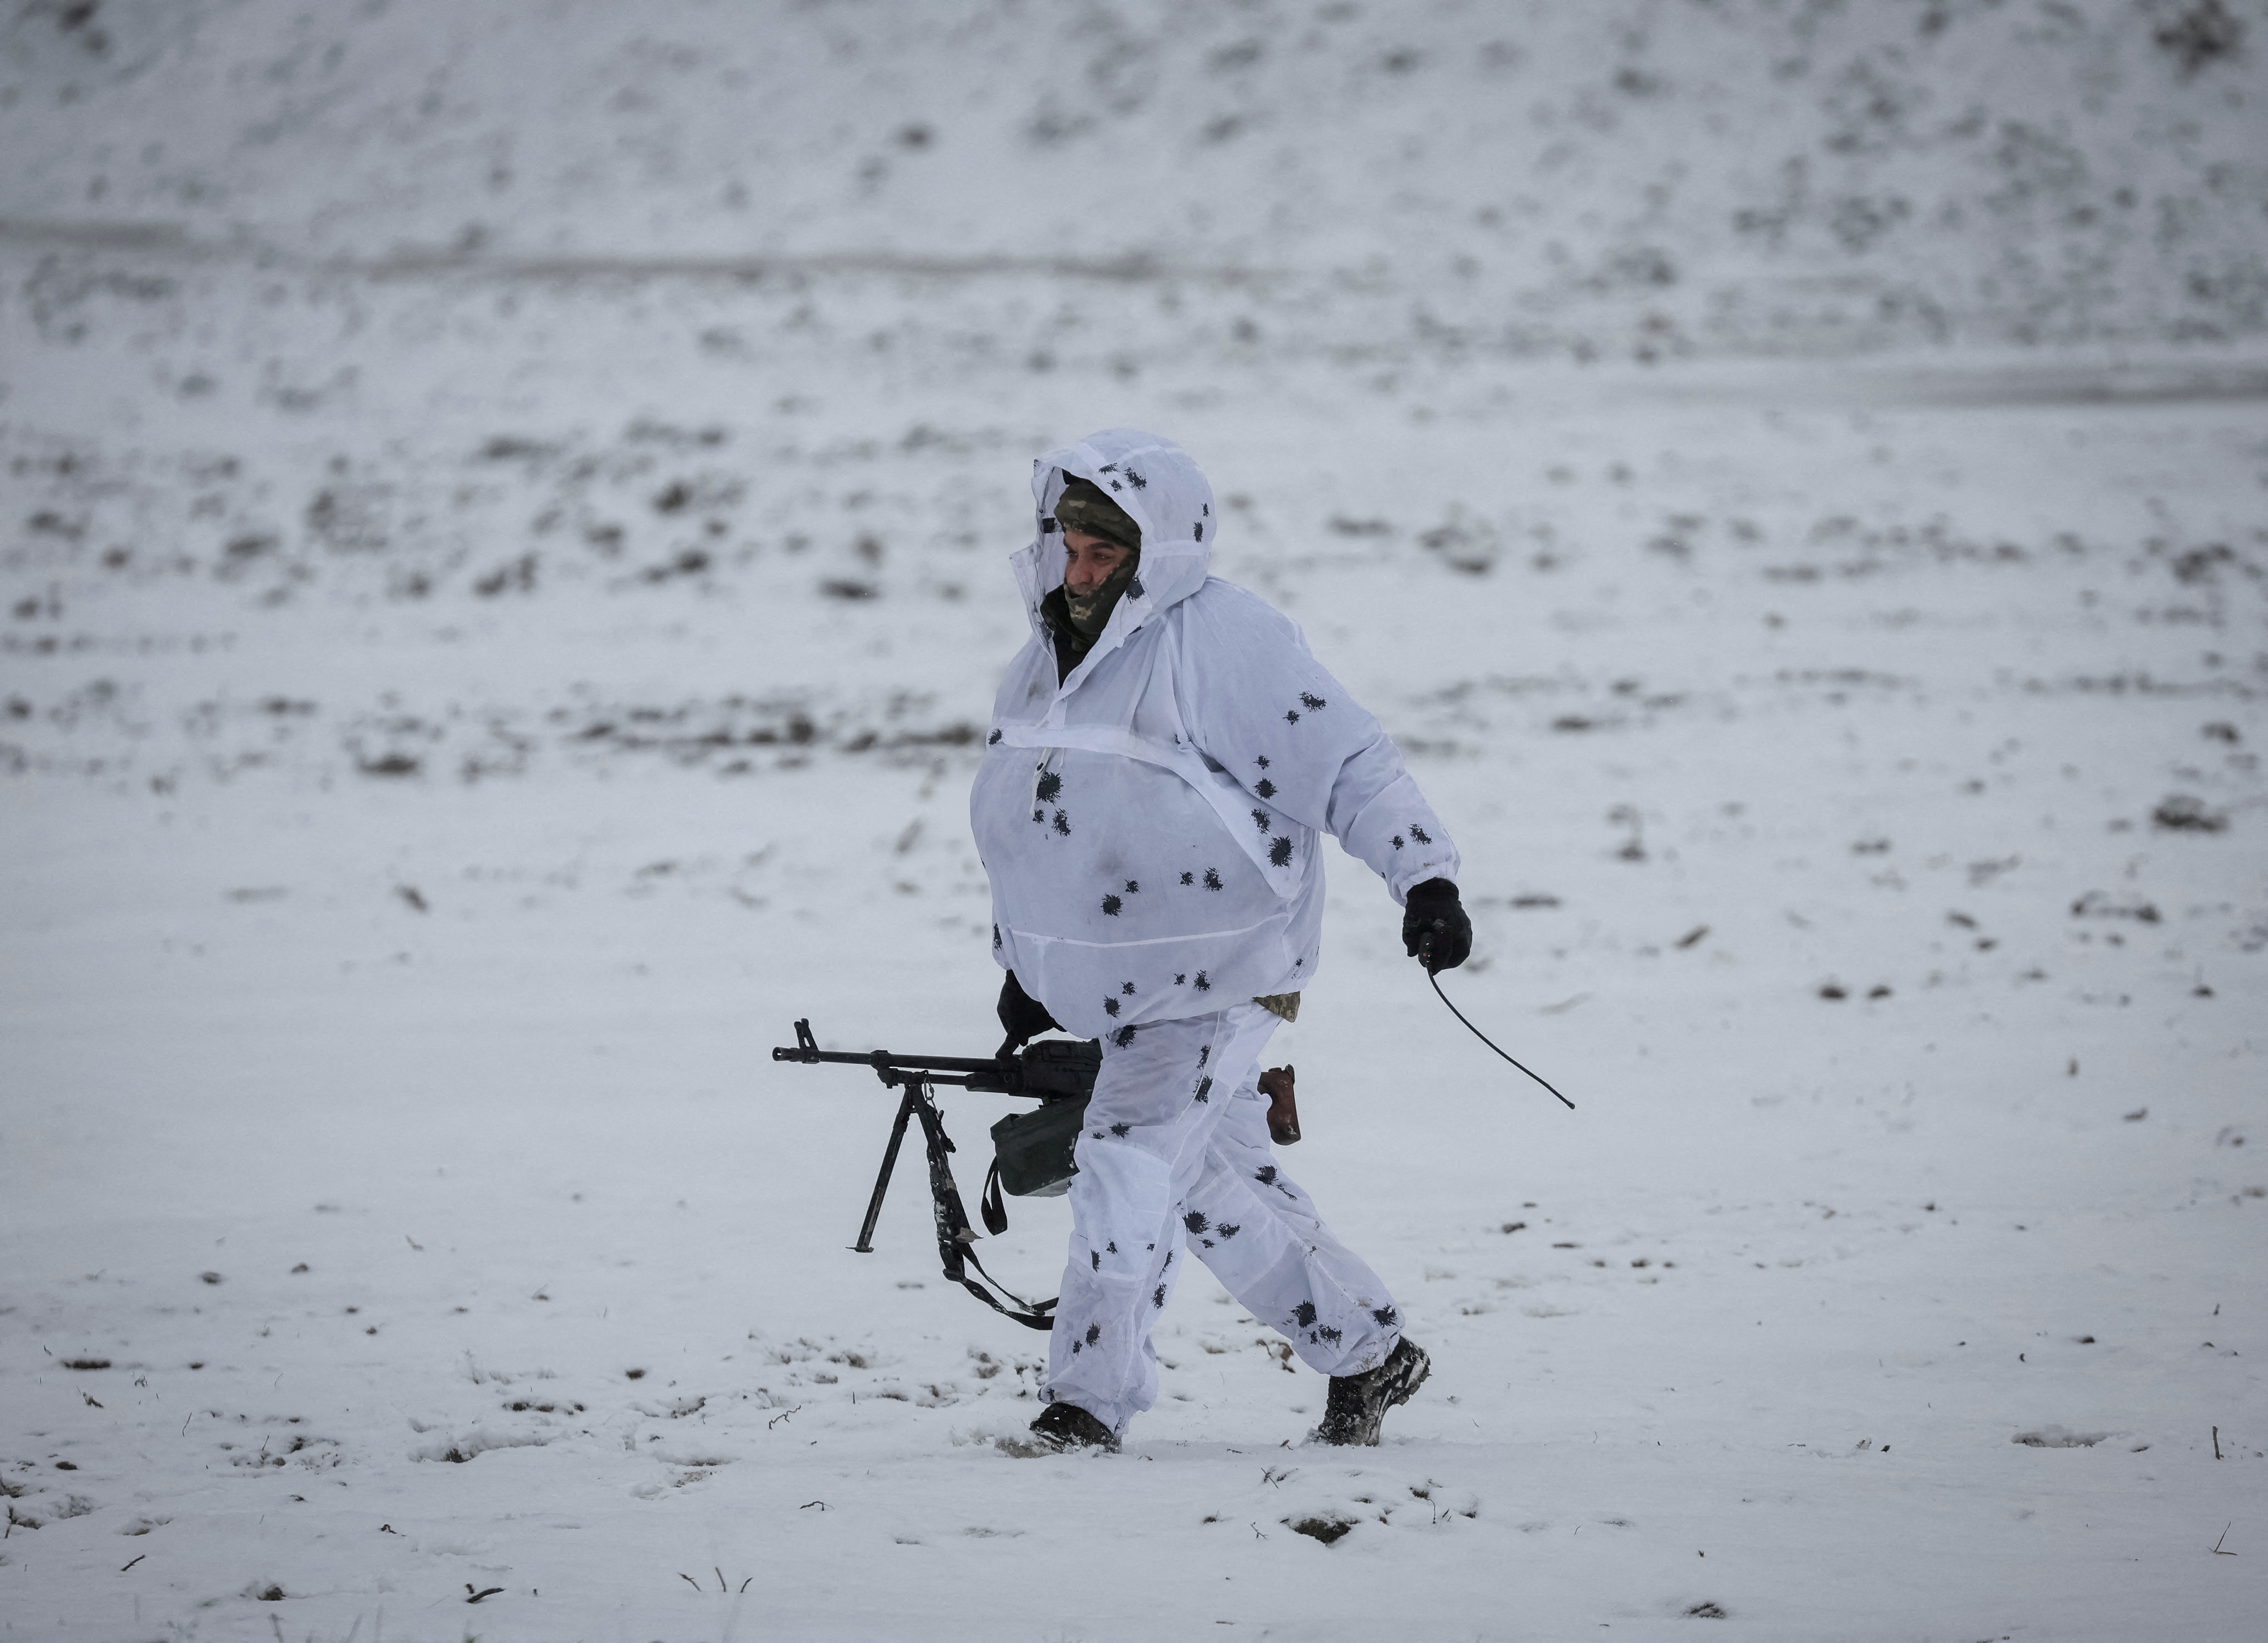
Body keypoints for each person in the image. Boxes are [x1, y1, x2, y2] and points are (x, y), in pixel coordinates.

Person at [969, 429, 1472, 1453]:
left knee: (1124, 1161)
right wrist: (1026, 965)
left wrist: (1424, 877)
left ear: (1155, 551)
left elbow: (1349, 763)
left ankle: (1085, 1403)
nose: (1079, 573)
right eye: (1068, 548)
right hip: (1121, 984)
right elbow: (1030, 821)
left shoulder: (1223, 640)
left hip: (1221, 971)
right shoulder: (1045, 658)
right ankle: (1367, 1349)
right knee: (1207, 1185)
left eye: (1104, 554)